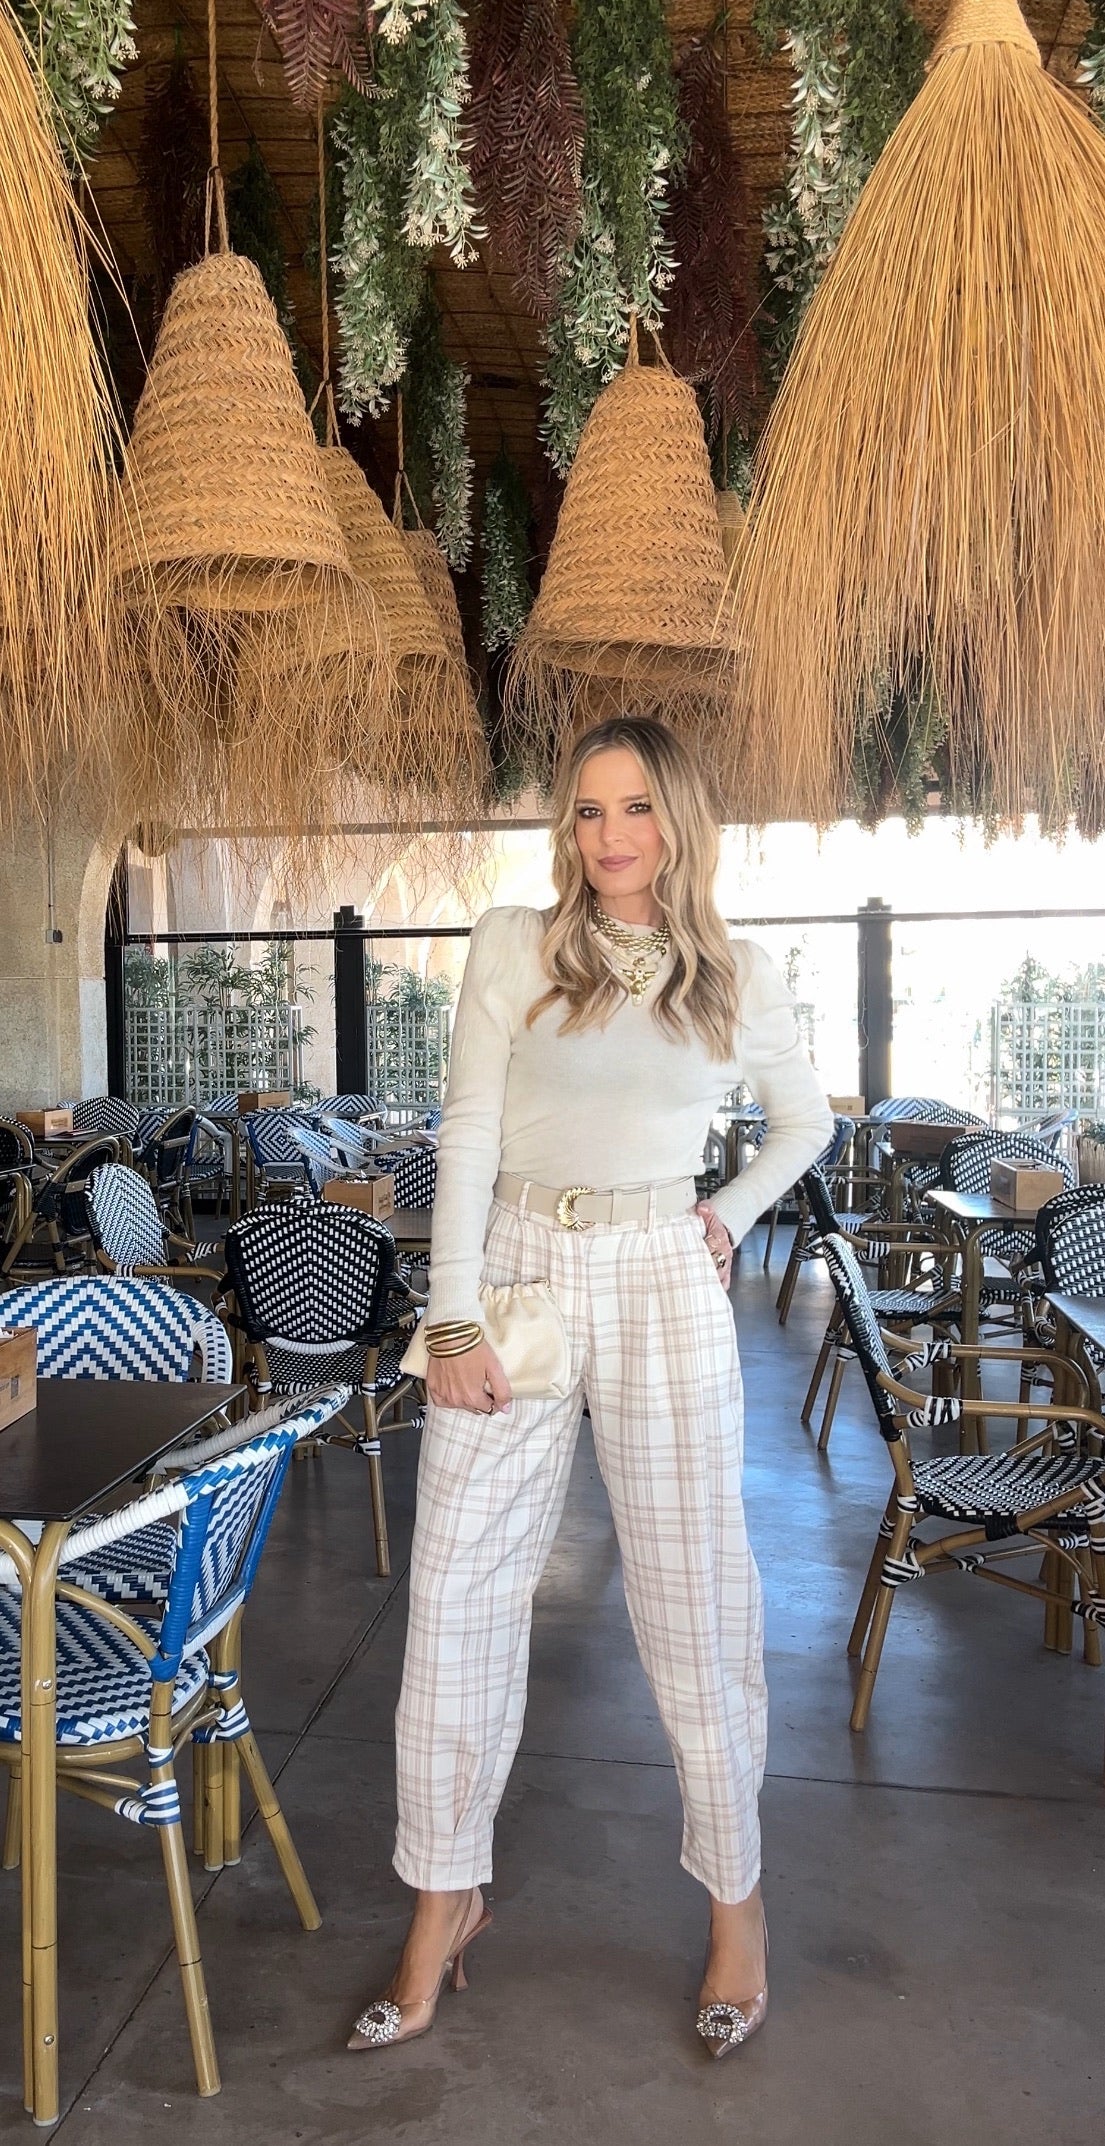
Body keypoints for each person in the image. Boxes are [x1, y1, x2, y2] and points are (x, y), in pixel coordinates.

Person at [347, 716, 833, 2059]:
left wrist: (725, 1214)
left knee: (695, 1595)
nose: (610, 835)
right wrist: (451, 1315)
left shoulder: (734, 973)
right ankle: (444, 1903)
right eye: (585, 810)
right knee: (457, 1593)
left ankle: (738, 1906)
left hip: (660, 1272)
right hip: (513, 1269)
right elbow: (469, 1128)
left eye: (635, 807)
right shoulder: (515, 944)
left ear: (677, 818)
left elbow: (807, 1121)